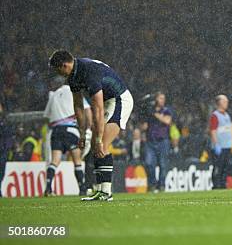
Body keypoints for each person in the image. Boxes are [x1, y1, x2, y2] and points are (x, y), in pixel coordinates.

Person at [49, 50, 134, 201]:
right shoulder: (73, 77)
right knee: (96, 146)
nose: (57, 73)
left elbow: (98, 109)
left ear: (64, 65)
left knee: (102, 145)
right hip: (108, 103)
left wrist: (99, 138)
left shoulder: (88, 71)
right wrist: (82, 134)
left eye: (57, 69)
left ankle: (106, 192)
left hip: (119, 99)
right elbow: (78, 107)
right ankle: (100, 191)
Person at [43, 75, 90, 196]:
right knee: (77, 160)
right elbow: (87, 110)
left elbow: (47, 117)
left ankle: (48, 187)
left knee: (54, 161)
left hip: (56, 131)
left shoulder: (52, 95)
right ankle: (82, 188)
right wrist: (87, 127)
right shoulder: (73, 92)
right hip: (71, 130)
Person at [143, 92, 173, 193]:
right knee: (149, 163)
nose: (162, 100)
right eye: (160, 98)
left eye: (163, 98)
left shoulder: (166, 110)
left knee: (162, 164)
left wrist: (154, 114)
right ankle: (152, 184)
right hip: (150, 141)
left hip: (163, 141)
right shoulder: (149, 112)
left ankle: (161, 186)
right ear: (156, 99)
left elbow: (167, 121)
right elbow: (144, 126)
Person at [209, 94, 232, 189]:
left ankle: (223, 184)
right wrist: (216, 144)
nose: (226, 103)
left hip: (227, 146)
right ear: (219, 103)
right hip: (220, 146)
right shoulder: (215, 115)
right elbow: (213, 131)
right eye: (224, 101)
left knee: (225, 167)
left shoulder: (227, 115)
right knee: (218, 167)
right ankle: (216, 185)